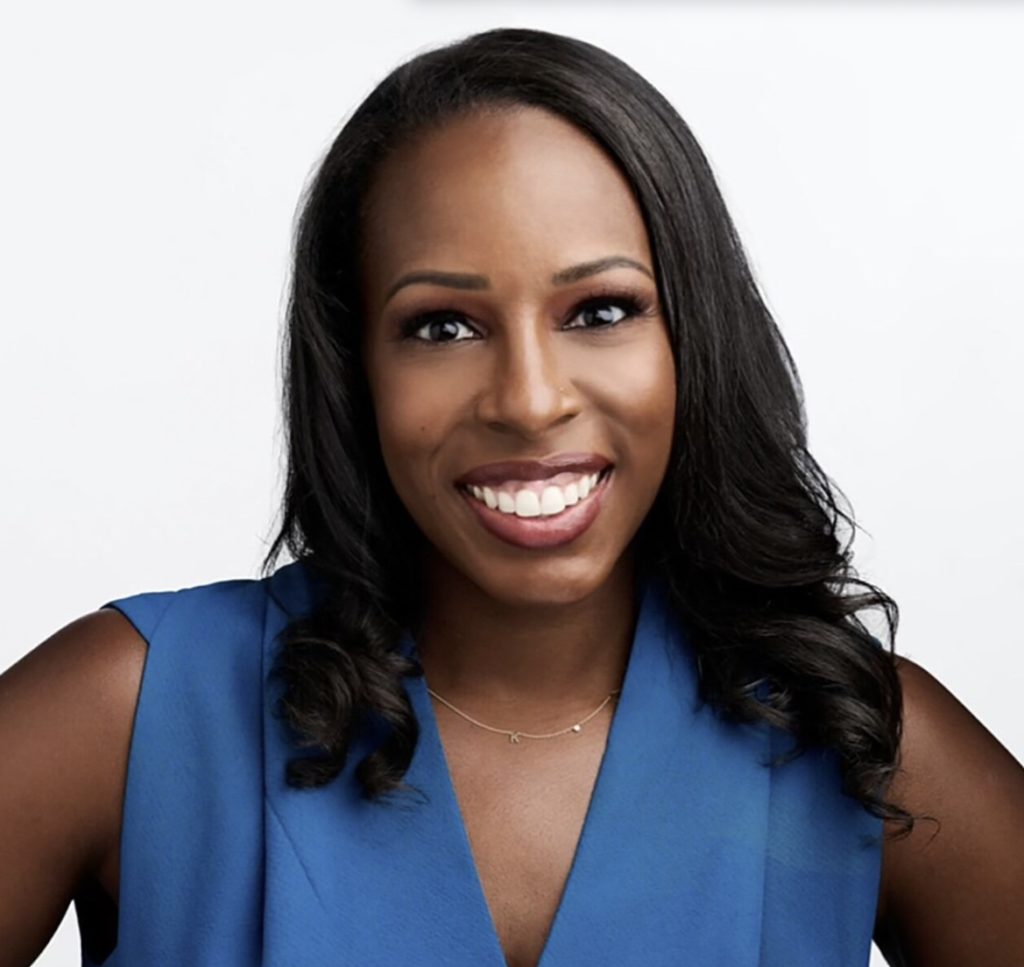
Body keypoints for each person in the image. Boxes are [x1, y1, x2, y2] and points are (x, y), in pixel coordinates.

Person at [2, 26, 1022, 967]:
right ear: (354, 366)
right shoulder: (131, 714)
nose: (530, 402)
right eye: (442, 326)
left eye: (602, 309)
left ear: (692, 341)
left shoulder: (857, 741)